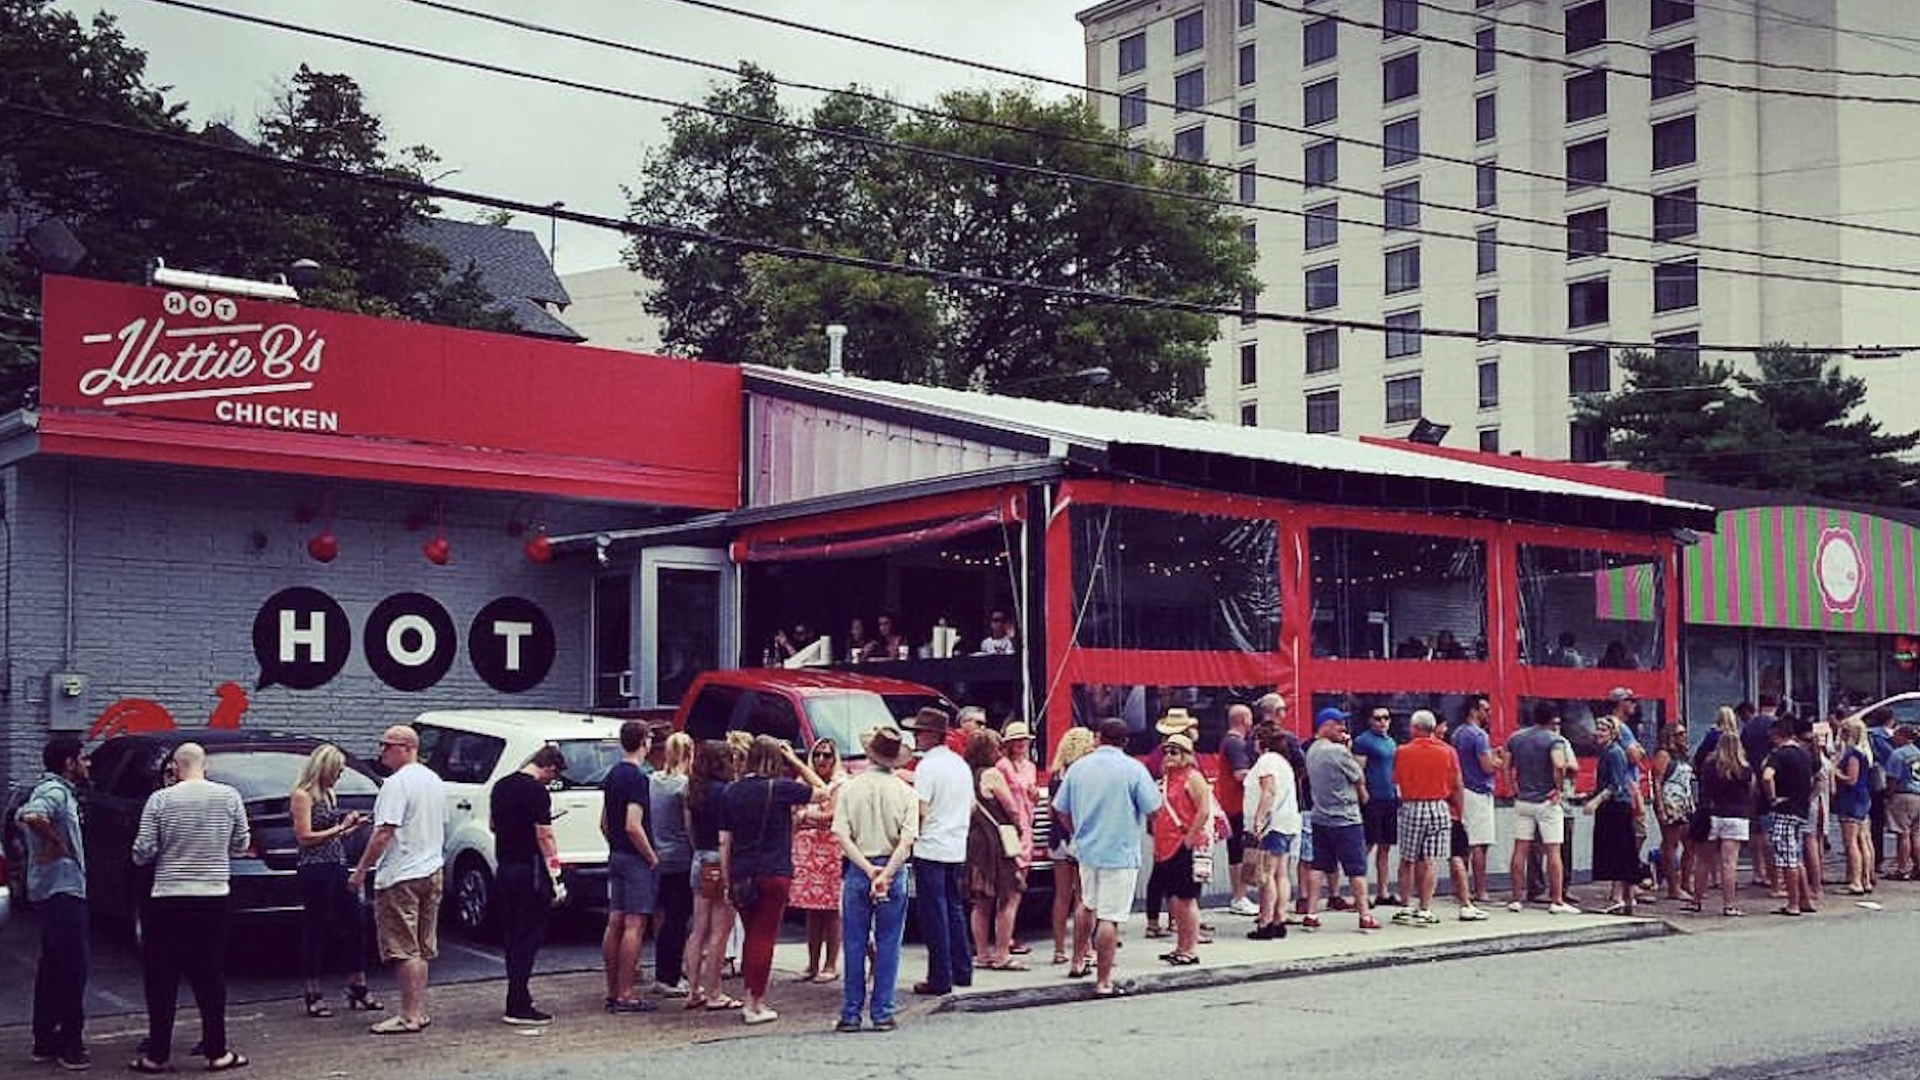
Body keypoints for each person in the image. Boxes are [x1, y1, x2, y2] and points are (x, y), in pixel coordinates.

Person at [130, 743, 251, 1073]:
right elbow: (241, 845)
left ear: (175, 767)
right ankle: (217, 1052)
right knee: (210, 973)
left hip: (167, 896)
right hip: (213, 895)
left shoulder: (160, 800)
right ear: (205, 764)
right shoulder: (229, 797)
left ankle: (157, 1055)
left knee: (161, 975)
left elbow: (142, 852)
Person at [1052, 718, 1163, 998]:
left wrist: (1077, 831)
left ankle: (1077, 961)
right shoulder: (1133, 769)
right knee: (1109, 918)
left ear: (1099, 737)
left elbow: (1060, 809)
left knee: (1086, 904)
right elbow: (1153, 809)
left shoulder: (1078, 768)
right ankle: (1103, 980)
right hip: (1120, 850)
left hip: (1087, 849)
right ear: (1126, 742)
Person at [719, 735, 826, 1024]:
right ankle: (755, 1003)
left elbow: (725, 841)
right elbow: (822, 790)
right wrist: (794, 759)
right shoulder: (779, 788)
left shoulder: (731, 792)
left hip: (742, 871)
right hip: (774, 870)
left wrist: (727, 880)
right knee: (764, 936)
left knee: (751, 934)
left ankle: (749, 995)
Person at [350, 725, 446, 1036]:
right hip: (431, 869)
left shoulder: (396, 784)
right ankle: (418, 1011)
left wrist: (362, 869)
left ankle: (409, 1016)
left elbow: (384, 832)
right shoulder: (433, 780)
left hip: (401, 873)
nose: (382, 751)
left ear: (406, 747)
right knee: (420, 946)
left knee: (404, 948)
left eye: (387, 745)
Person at [832, 726, 919, 1033]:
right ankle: (882, 1011)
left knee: (854, 942)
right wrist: (885, 873)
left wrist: (868, 870)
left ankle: (851, 1012)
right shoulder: (907, 792)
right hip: (892, 868)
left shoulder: (849, 789)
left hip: (858, 867)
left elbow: (840, 834)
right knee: (889, 943)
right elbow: (907, 841)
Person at [18, 735, 92, 1070]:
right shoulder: (54, 792)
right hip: (62, 892)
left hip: (53, 891)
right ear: (68, 762)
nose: (87, 763)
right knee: (73, 969)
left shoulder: (60, 792)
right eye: (83, 757)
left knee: (52, 966)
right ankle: (70, 1045)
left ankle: (45, 1040)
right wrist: (55, 841)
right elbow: (32, 815)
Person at [290, 744, 378, 1020]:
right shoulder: (302, 795)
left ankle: (357, 983)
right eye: (337, 771)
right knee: (316, 927)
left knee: (354, 922)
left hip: (336, 863)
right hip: (313, 868)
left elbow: (330, 837)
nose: (338, 777)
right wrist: (340, 827)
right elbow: (304, 837)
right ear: (324, 769)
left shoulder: (330, 794)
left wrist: (351, 827)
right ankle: (312, 990)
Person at [491, 745, 565, 1025]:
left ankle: (518, 995)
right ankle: (517, 1003)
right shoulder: (537, 792)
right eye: (552, 776)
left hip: (505, 866)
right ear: (550, 768)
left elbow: (494, 825)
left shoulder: (501, 786)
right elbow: (545, 837)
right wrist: (556, 874)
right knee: (529, 937)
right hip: (530, 869)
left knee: (512, 936)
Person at [905, 706, 975, 996]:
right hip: (955, 843)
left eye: (919, 733)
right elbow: (970, 805)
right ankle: (962, 968)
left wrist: (910, 836)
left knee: (933, 913)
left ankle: (940, 976)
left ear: (930, 735)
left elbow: (920, 809)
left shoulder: (927, 767)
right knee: (954, 907)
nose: (917, 738)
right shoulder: (960, 765)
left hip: (931, 844)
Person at [601, 721, 661, 1015]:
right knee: (635, 924)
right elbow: (633, 824)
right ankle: (626, 993)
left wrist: (617, 846)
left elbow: (605, 823)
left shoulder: (611, 775)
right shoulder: (638, 779)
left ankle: (612, 990)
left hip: (616, 854)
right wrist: (651, 856)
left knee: (615, 921)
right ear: (644, 741)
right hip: (635, 858)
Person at [1301, 708, 1376, 932]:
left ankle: (1311, 913)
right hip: (1345, 818)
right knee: (1356, 868)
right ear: (1325, 725)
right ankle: (1364, 915)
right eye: (1337, 724)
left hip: (1320, 816)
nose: (1342, 728)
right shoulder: (1337, 752)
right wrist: (1348, 750)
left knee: (1318, 866)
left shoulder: (1312, 750)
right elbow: (1358, 775)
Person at [1504, 702, 1580, 914]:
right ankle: (1556, 900)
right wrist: (1558, 788)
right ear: (1551, 719)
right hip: (1546, 802)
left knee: (1520, 849)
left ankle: (1516, 898)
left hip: (1523, 800)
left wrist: (1512, 788)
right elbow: (1558, 764)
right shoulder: (1554, 740)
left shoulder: (1516, 738)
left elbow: (1506, 765)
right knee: (1553, 851)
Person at [684, 739, 742, 1011]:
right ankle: (714, 991)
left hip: (699, 857)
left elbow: (690, 830)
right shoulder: (727, 792)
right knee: (720, 930)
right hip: (719, 860)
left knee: (698, 928)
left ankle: (693, 989)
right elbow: (726, 838)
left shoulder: (693, 790)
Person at [1391, 710, 1461, 926]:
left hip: (1413, 805)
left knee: (1407, 859)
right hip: (1439, 806)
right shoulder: (1448, 751)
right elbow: (1456, 783)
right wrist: (1459, 810)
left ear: (1416, 728)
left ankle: (1405, 906)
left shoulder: (1403, 751)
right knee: (1430, 859)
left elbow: (1397, 780)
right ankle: (1425, 908)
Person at [1147, 731, 1212, 966]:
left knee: (1186, 898)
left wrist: (1189, 838)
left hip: (1184, 844)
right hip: (1166, 845)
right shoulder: (1166, 779)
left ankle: (1190, 948)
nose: (1169, 755)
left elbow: (1204, 810)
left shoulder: (1192, 778)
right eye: (1166, 751)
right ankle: (1180, 945)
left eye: (1175, 751)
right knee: (1174, 899)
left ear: (1187, 754)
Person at [965, 728, 1027, 970]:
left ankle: (981, 954)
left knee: (981, 902)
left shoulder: (967, 773)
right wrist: (1019, 827)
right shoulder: (992, 774)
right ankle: (1002, 953)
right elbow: (1010, 807)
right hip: (996, 842)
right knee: (1009, 896)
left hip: (975, 840)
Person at [789, 737, 846, 983]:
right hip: (806, 851)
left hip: (831, 852)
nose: (822, 759)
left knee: (831, 911)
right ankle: (812, 963)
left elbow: (833, 815)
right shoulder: (801, 782)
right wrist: (811, 817)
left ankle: (831, 963)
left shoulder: (840, 784)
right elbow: (793, 814)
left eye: (827, 755)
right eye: (818, 755)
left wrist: (806, 816)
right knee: (811, 911)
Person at [649, 732, 696, 998]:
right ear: (689, 754)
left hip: (657, 855)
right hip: (680, 857)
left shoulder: (652, 781)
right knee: (678, 920)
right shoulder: (685, 786)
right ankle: (670, 976)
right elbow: (689, 826)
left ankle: (660, 971)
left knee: (663, 917)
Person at [1693, 713, 1754, 916]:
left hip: (1713, 814)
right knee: (1729, 863)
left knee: (1704, 860)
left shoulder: (1710, 765)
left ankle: (1696, 900)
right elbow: (1751, 791)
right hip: (1736, 816)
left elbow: (1704, 790)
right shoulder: (1744, 768)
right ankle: (1729, 905)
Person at [1244, 721, 1301, 939]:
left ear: (1261, 741)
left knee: (1266, 874)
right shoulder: (1283, 762)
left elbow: (1268, 791)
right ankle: (1280, 918)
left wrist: (1258, 819)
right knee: (1281, 873)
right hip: (1287, 822)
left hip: (1271, 824)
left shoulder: (1266, 761)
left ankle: (1266, 922)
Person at [1047, 727, 1097, 966]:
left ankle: (1059, 949)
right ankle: (1085, 947)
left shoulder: (1056, 773)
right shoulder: (1084, 773)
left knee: (1061, 896)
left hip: (1057, 839)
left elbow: (1052, 809)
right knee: (1083, 896)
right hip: (1080, 837)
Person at [1583, 718, 1640, 916]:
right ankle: (1625, 897)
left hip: (1616, 808)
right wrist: (1588, 795)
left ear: (1613, 733)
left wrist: (1595, 801)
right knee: (1621, 852)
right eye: (1597, 728)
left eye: (1604, 729)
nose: (1598, 732)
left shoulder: (1615, 753)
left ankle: (1620, 897)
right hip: (1613, 806)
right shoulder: (1607, 753)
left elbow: (1616, 785)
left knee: (1619, 852)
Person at [1352, 706, 1406, 908]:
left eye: (1386, 718)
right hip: (1372, 799)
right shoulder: (1363, 741)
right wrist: (1362, 794)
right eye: (1378, 718)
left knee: (1385, 846)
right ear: (1370, 721)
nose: (1382, 722)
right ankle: (1361, 892)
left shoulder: (1390, 742)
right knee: (1367, 845)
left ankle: (1383, 891)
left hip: (1389, 797)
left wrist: (1398, 791)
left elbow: (1394, 769)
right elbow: (1358, 770)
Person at [994, 719, 1039, 956]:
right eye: (1016, 741)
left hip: (1026, 826)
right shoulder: (1002, 766)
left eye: (1024, 740)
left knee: (1018, 887)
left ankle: (1008, 936)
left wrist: (1034, 797)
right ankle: (1004, 941)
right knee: (1010, 889)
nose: (1021, 744)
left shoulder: (1029, 767)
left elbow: (1031, 799)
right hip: (1010, 830)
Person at [1762, 717, 1816, 917]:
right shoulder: (1804, 754)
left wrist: (1772, 797)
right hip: (1801, 809)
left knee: (1787, 859)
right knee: (1796, 856)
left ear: (1777, 735)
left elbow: (1767, 776)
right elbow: (1818, 778)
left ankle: (1792, 903)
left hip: (1785, 809)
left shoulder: (1780, 754)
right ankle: (1805, 899)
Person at [1450, 695, 1500, 905]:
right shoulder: (1479, 735)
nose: (1488, 714)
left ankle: (1460, 889)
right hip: (1478, 791)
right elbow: (1487, 766)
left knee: (1464, 843)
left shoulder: (1458, 733)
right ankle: (1480, 890)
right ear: (1474, 710)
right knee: (1480, 843)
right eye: (1485, 710)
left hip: (1462, 789)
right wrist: (1500, 761)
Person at [1649, 720, 1697, 906]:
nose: (1683, 737)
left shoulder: (1682, 756)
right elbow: (1657, 781)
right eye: (1679, 734)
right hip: (1670, 802)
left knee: (1690, 843)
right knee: (1671, 843)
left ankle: (1686, 881)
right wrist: (1660, 806)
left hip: (1684, 802)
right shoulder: (1663, 755)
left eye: (1684, 733)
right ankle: (1673, 886)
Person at [1217, 704, 1258, 917]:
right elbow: (1241, 774)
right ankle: (1239, 896)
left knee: (1236, 852)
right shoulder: (1236, 744)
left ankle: (1239, 896)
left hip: (1231, 804)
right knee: (1239, 852)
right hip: (1238, 805)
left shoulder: (1229, 742)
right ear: (1245, 720)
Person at [1831, 717, 1874, 896]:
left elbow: (1851, 779)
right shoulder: (1864, 752)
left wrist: (1835, 771)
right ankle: (1866, 878)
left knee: (1851, 843)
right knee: (1863, 839)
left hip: (1851, 799)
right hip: (1863, 797)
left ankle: (1855, 881)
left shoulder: (1853, 754)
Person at [1886, 725, 1920, 879]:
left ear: (1903, 736)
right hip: (1918, 793)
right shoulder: (1918, 753)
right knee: (1916, 834)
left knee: (1903, 833)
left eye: (1896, 735)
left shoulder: (1897, 755)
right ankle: (1918, 867)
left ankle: (1902, 868)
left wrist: (1888, 795)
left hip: (1903, 794)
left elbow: (1893, 778)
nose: (1893, 737)